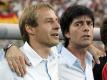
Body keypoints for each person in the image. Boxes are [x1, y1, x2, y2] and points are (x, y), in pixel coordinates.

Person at [0, 2, 60, 80]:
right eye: (49, 21)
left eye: (56, 20)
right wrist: (7, 49)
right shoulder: (9, 68)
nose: (57, 26)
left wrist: (8, 47)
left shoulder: (61, 55)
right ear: (30, 29)